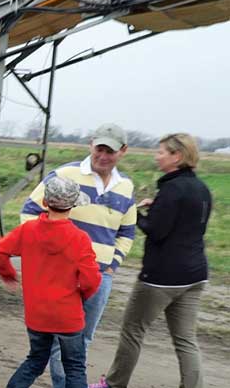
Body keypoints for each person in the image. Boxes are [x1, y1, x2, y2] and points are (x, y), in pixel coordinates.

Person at [90, 133, 212, 388]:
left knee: (133, 331)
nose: (157, 156)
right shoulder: (201, 188)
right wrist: (157, 208)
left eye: (161, 152)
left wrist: (136, 212)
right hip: (195, 274)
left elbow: (157, 230)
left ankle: (113, 384)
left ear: (176, 156)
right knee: (186, 340)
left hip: (161, 278)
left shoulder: (172, 188)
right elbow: (188, 223)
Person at [20, 123, 136, 388]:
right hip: (63, 277)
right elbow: (29, 212)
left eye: (110, 151)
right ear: (91, 145)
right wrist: (48, 255)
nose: (103, 156)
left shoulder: (126, 187)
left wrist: (112, 264)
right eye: (99, 149)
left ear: (123, 151)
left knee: (82, 339)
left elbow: (127, 231)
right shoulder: (64, 174)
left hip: (99, 277)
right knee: (62, 342)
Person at [0, 176, 101, 388]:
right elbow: (91, 278)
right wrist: (81, 295)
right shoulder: (79, 238)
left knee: (35, 361)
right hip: (68, 314)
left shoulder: (28, 230)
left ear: (45, 202)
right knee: (74, 367)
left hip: (37, 313)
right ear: (73, 206)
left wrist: (8, 275)